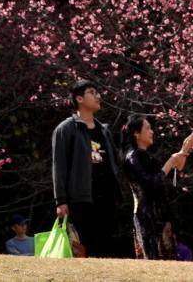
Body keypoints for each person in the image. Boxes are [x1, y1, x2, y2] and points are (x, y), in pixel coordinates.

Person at [52, 80, 123, 257]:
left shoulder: (103, 130)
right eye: (92, 92)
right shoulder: (66, 129)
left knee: (105, 248)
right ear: (79, 99)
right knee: (83, 248)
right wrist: (60, 200)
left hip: (106, 197)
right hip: (81, 198)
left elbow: (115, 160)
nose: (98, 96)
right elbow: (58, 166)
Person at [120, 113, 193, 260]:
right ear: (137, 133)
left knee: (168, 262)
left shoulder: (146, 156)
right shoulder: (132, 157)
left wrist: (185, 150)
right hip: (146, 217)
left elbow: (177, 167)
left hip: (159, 215)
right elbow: (151, 184)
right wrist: (170, 161)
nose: (152, 131)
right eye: (148, 128)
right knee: (153, 262)